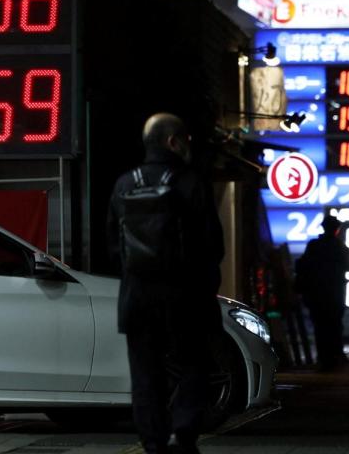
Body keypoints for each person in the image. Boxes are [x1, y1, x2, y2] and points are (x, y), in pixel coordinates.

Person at [107, 113, 224, 454]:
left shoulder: (124, 184)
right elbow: (213, 246)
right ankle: (183, 434)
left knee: (145, 374)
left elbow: (114, 248)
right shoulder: (190, 182)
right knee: (195, 365)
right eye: (186, 139)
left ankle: (153, 442)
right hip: (185, 296)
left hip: (137, 297)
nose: (189, 145)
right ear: (173, 141)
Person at [295, 216, 349, 371]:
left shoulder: (314, 246)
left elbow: (302, 266)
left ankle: (323, 356)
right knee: (335, 324)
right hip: (335, 293)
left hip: (316, 293)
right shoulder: (339, 247)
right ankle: (336, 354)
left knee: (320, 326)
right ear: (337, 229)